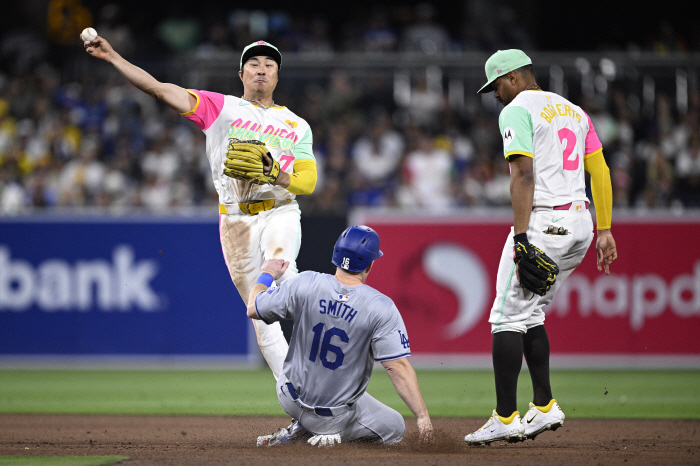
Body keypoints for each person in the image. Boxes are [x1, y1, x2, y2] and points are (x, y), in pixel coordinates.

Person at [84, 37, 317, 381]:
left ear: (278, 76)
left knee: (287, 277)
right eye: (254, 64)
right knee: (260, 318)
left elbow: (308, 183)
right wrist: (115, 57)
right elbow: (160, 89)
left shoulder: (297, 125)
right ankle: (300, 401)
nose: (262, 70)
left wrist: (276, 174)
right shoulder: (219, 108)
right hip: (235, 221)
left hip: (280, 209)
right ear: (241, 74)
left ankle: (329, 376)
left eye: (269, 65)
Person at [464, 50, 618, 445]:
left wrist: (520, 237)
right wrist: (605, 229)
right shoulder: (574, 111)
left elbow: (523, 173)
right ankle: (545, 406)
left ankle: (505, 416)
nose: (495, 94)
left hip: (544, 221)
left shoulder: (517, 108)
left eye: (497, 84)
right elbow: (599, 169)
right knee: (532, 312)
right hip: (581, 222)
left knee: (505, 317)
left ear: (514, 77)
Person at [247, 226, 433, 447]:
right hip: (332, 418)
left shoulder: (305, 282)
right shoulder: (380, 307)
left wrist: (267, 273)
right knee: (395, 427)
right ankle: (330, 438)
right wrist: (422, 417)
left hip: (288, 397)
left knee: (355, 398)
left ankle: (302, 428)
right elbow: (396, 367)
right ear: (370, 263)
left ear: (335, 255)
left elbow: (253, 308)